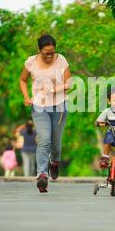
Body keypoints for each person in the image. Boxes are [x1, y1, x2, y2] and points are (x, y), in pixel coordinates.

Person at [19, 34, 72, 193]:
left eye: (52, 52)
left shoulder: (61, 60)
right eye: (46, 53)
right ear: (39, 50)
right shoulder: (30, 62)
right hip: (39, 106)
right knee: (44, 139)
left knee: (55, 142)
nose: (49, 56)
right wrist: (26, 97)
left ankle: (54, 162)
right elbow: (23, 80)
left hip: (59, 107)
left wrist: (53, 89)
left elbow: (69, 83)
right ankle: (42, 174)